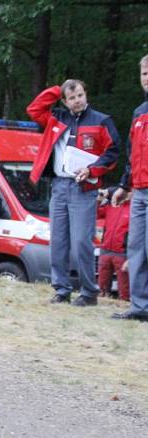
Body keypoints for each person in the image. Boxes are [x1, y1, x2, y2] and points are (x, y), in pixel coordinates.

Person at [27, 80, 120, 306]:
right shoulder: (56, 118)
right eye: (72, 97)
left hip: (84, 188)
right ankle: (61, 289)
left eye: (80, 95)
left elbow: (114, 151)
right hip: (59, 185)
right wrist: (58, 89)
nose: (77, 101)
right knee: (58, 241)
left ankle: (89, 293)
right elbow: (34, 109)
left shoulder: (101, 120)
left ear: (85, 94)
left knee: (81, 243)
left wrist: (92, 169)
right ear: (64, 100)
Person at [111, 55, 148, 321]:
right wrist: (124, 185)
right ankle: (139, 307)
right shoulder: (139, 113)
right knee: (135, 247)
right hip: (139, 191)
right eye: (144, 73)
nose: (147, 78)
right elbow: (131, 153)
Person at [96, 187, 130, 302]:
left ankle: (124, 301)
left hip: (122, 252)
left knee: (124, 283)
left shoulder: (133, 208)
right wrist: (99, 200)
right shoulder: (110, 206)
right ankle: (103, 297)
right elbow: (94, 214)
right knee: (103, 280)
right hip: (105, 249)